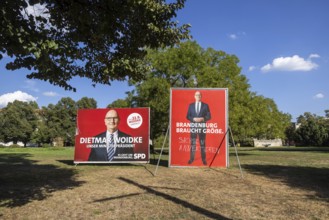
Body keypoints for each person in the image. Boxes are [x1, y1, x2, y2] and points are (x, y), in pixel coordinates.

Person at [186, 91, 211, 165]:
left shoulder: (205, 105)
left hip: (202, 127)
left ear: (201, 96)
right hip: (193, 127)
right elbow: (188, 116)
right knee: (193, 143)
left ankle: (204, 160)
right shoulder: (191, 106)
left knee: (202, 143)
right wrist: (193, 119)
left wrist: (203, 119)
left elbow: (209, 116)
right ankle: (191, 159)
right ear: (194, 96)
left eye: (199, 95)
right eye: (197, 95)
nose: (198, 96)